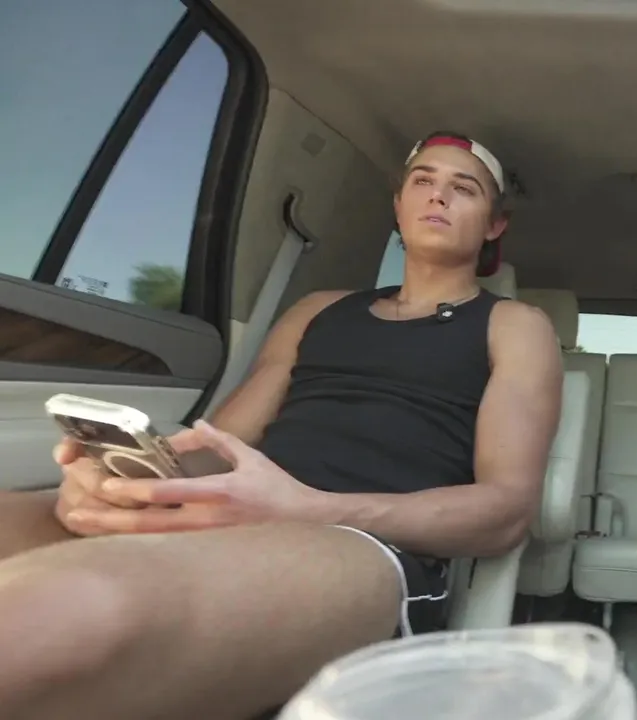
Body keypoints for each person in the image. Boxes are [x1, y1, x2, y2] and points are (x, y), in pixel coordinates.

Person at [0, 131, 564, 719]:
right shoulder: (317, 310)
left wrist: (306, 508)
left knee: (67, 611)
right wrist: (126, 476)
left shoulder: (515, 326)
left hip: (365, 548)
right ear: (398, 204)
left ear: (494, 224)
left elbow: (505, 511)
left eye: (464, 188)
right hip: (234, 512)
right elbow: (218, 447)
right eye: (423, 181)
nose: (438, 196)